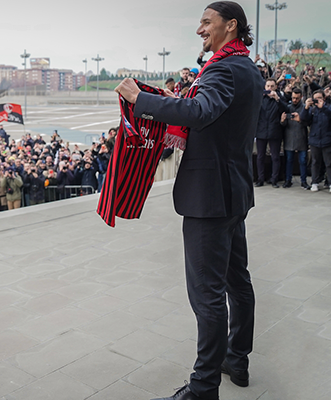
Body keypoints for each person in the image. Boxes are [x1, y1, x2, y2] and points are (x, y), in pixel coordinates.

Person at [116, 2, 261, 399]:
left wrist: (140, 99)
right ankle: (237, 359)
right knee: (237, 282)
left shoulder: (222, 69)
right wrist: (173, 99)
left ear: (231, 26)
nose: (200, 29)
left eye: (206, 22)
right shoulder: (247, 68)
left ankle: (203, 388)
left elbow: (200, 111)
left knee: (207, 295)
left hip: (209, 197)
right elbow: (214, 114)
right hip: (233, 191)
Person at [255, 79, 287, 187]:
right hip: (261, 130)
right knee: (260, 156)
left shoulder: (279, 98)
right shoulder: (260, 98)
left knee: (275, 157)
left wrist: (277, 99)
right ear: (265, 86)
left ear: (276, 87)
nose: (270, 88)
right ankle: (260, 178)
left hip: (275, 131)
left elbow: (286, 109)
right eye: (268, 86)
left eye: (272, 86)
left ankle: (274, 179)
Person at [301, 90, 331, 192]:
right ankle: (314, 182)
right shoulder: (312, 110)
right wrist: (306, 107)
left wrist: (323, 108)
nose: (317, 100)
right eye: (315, 98)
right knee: (315, 162)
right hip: (315, 140)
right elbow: (303, 120)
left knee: (329, 163)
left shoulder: (328, 108)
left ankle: (330, 182)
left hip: (327, 140)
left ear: (324, 98)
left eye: (320, 98)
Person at [280, 88, 309, 188]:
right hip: (289, 137)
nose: (294, 100)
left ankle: (304, 181)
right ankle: (288, 180)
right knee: (289, 160)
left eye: (297, 98)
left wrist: (300, 120)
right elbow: (283, 125)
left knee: (303, 161)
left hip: (301, 137)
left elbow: (309, 122)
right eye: (293, 98)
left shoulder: (305, 108)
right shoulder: (288, 107)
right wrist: (282, 120)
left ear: (301, 97)